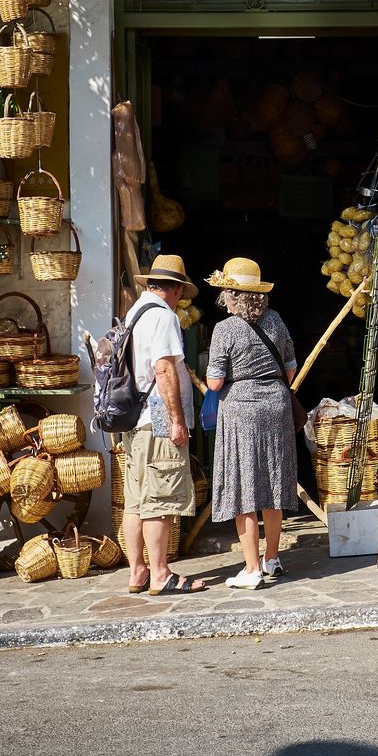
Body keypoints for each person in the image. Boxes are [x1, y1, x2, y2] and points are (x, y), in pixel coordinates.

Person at [205, 257, 299, 590]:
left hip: (240, 413)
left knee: (243, 488)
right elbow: (290, 370)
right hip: (276, 406)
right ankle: (272, 558)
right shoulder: (275, 321)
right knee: (273, 484)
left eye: (225, 294)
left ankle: (251, 568)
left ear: (232, 295)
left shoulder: (224, 330)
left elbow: (215, 383)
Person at [122, 254, 206, 596]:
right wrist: (176, 420)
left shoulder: (135, 313)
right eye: (180, 293)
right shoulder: (163, 318)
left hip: (136, 417)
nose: (180, 299)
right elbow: (164, 369)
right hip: (157, 416)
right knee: (160, 498)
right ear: (174, 289)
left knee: (136, 500)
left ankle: (138, 572)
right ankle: (160, 574)